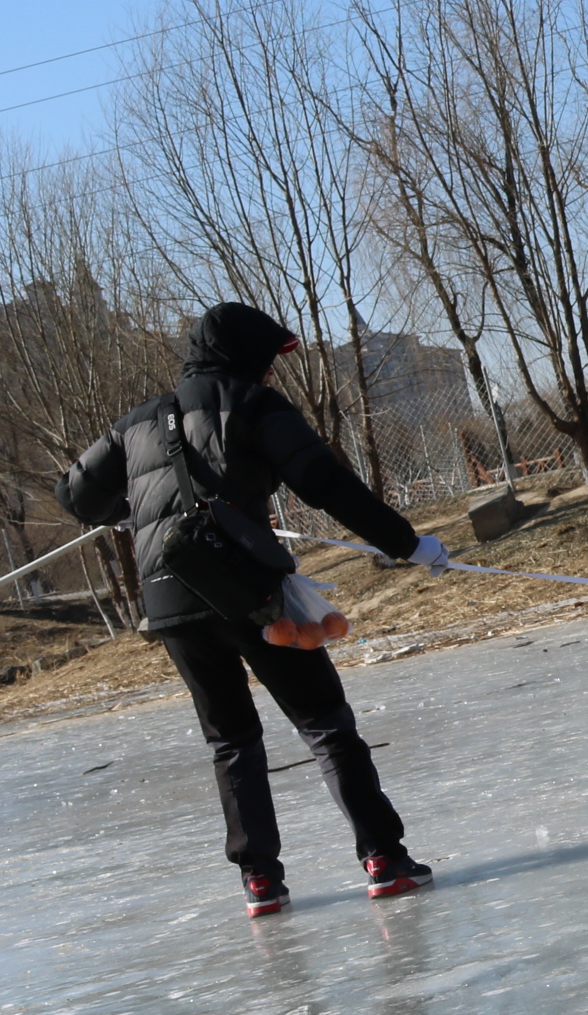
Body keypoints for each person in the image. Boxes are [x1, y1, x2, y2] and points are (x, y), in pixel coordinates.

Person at [58, 301, 451, 916]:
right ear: (244, 356)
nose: (272, 371)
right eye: (268, 358)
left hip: (169, 597)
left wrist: (143, 511)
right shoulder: (251, 404)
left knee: (232, 741)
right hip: (249, 594)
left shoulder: (132, 425)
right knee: (325, 724)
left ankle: (260, 881)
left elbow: (74, 496)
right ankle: (384, 859)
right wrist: (406, 543)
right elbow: (323, 481)